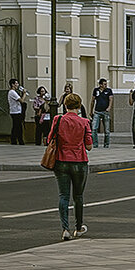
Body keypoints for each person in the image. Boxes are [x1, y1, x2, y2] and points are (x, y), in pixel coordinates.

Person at [51, 92, 92, 241]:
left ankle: (65, 229)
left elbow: (50, 139)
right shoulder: (84, 122)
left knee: (63, 196)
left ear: (65, 105)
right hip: (80, 162)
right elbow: (89, 146)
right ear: (79, 106)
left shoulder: (58, 119)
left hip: (61, 161)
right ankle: (79, 227)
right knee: (78, 196)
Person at [90, 78, 112, 149]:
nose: (105, 85)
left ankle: (106, 144)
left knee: (107, 129)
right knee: (94, 128)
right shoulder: (96, 90)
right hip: (97, 111)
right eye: (104, 84)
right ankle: (95, 143)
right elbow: (93, 100)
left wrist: (109, 108)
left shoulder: (108, 91)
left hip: (105, 111)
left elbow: (111, 99)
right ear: (100, 85)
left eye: (106, 84)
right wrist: (91, 111)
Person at [7, 78, 27, 145]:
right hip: (15, 112)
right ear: (12, 84)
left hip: (17, 111)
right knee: (17, 127)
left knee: (17, 126)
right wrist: (24, 94)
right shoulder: (12, 92)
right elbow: (21, 100)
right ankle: (16, 140)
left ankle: (16, 140)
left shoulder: (14, 92)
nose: (17, 85)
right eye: (16, 83)